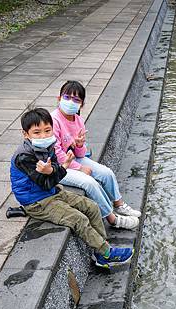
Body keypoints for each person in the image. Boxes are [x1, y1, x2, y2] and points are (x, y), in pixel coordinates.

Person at [10, 108, 134, 268]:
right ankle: (106, 253)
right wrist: (59, 169)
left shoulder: (49, 145)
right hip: (36, 201)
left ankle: (101, 251)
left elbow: (54, 171)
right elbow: (46, 182)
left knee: (92, 207)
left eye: (47, 130)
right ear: (26, 134)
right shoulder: (24, 156)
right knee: (78, 219)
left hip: (52, 192)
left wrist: (59, 168)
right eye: (37, 132)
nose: (43, 135)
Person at [51, 80, 141, 230]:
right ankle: (113, 219)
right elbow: (56, 153)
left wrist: (79, 145)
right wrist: (79, 168)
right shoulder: (54, 120)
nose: (70, 102)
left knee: (106, 173)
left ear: (81, 104)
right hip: (58, 166)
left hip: (72, 158)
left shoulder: (78, 119)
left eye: (76, 100)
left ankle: (119, 204)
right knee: (89, 183)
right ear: (59, 98)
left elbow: (80, 152)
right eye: (67, 97)